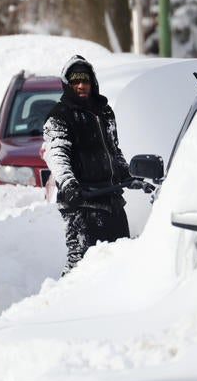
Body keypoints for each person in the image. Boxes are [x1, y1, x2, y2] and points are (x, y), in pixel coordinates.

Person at [42, 55, 143, 274]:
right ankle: (63, 305)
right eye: (75, 81)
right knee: (81, 270)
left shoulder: (104, 113)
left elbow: (113, 150)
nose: (80, 85)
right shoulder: (59, 116)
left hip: (111, 201)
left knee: (121, 264)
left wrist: (126, 174)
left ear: (92, 82)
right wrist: (69, 184)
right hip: (81, 205)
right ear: (68, 84)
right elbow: (57, 154)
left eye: (85, 80)